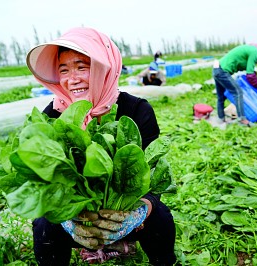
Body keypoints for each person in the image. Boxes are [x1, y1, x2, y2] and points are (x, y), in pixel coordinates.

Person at [26, 27, 176, 266]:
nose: (71, 78)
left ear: (103, 69)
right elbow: (42, 181)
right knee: (44, 223)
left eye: (81, 67)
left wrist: (140, 211)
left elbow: (153, 177)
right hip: (76, 219)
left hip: (124, 215)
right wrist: (67, 216)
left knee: (159, 216)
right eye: (63, 70)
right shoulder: (53, 116)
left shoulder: (136, 110)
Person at [212, 44, 257, 126]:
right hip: (222, 71)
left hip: (216, 69)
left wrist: (254, 77)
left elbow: (248, 70)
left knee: (221, 97)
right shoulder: (255, 52)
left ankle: (221, 120)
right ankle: (242, 119)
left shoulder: (252, 50)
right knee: (238, 92)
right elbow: (250, 75)